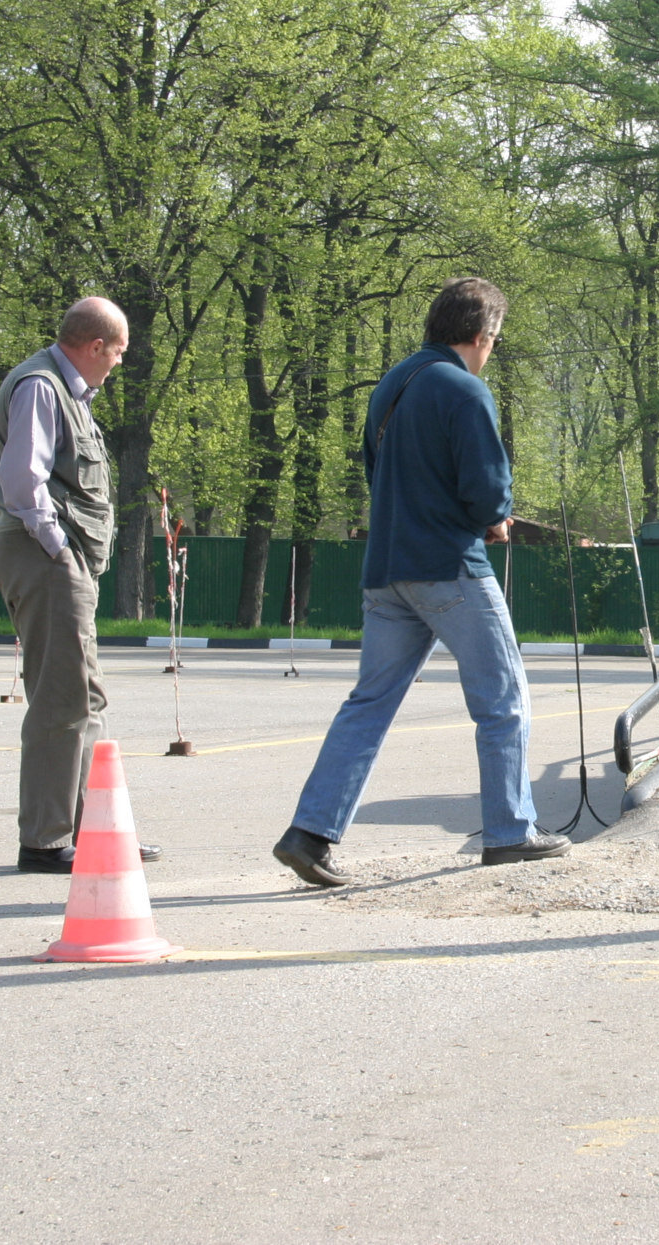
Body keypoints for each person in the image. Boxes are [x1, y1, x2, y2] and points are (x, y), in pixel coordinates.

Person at [272, 278, 567, 887]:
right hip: (451, 568)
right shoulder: (465, 389)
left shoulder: (391, 385)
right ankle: (511, 830)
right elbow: (486, 491)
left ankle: (310, 833)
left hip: (386, 572)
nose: (491, 351)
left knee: (369, 706)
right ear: (481, 335)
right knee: (504, 701)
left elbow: (379, 476)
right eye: (494, 341)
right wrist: (493, 520)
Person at [0, 297, 161, 874]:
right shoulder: (41, 387)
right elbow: (23, 481)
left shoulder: (69, 394)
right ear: (94, 347)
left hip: (58, 559)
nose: (116, 365)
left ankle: (96, 831)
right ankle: (44, 841)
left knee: (85, 697)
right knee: (62, 700)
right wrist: (60, 550)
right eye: (117, 353)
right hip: (43, 555)